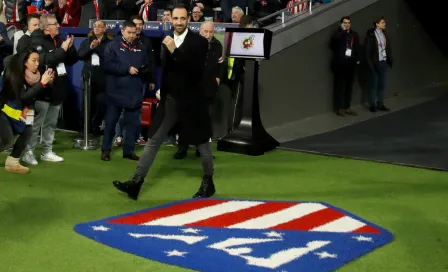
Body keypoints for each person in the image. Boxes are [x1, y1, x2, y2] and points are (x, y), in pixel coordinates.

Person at [112, 4, 214, 200]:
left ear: (189, 20)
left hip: (193, 102)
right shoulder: (166, 40)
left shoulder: (199, 42)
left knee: (202, 144)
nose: (178, 22)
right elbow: (166, 71)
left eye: (182, 19)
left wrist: (174, 50)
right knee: (154, 139)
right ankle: (136, 182)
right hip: (171, 100)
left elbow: (195, 71)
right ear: (170, 19)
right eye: (175, 19)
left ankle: (208, 181)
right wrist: (162, 91)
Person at [22, 14, 78, 166]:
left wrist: (70, 48)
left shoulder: (60, 39)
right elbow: (44, 60)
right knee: (35, 124)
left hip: (58, 86)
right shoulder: (36, 40)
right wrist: (62, 49)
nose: (59, 26)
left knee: (51, 123)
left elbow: (72, 59)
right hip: (42, 88)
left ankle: (47, 151)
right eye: (55, 24)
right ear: (47, 27)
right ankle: (28, 152)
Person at [100, 20, 152, 161]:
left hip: (134, 92)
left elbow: (147, 64)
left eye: (134, 33)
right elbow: (107, 65)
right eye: (129, 32)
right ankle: (105, 150)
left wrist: (145, 70)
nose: (131, 35)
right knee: (110, 123)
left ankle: (128, 151)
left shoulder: (141, 47)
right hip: (115, 91)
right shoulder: (112, 46)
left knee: (133, 125)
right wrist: (127, 69)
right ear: (122, 31)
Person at [175, 20, 224, 159]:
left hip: (208, 88)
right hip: (191, 87)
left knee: (204, 121)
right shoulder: (192, 43)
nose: (208, 35)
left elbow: (220, 64)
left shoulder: (217, 45)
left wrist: (218, 78)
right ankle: (182, 148)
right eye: (205, 32)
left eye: (211, 32)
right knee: (186, 117)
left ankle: (201, 150)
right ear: (200, 31)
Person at [0, 49, 54, 173]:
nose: (37, 64)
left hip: (23, 111)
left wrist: (49, 83)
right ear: (25, 62)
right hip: (4, 111)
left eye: (38, 60)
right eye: (34, 60)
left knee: (27, 131)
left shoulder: (35, 75)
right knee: (6, 142)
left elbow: (34, 95)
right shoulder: (13, 73)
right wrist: (42, 84)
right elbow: (23, 96)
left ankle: (13, 163)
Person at [78, 20, 114, 136]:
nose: (97, 28)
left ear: (104, 29)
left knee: (102, 104)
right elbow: (81, 55)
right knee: (86, 105)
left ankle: (96, 126)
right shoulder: (86, 41)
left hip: (103, 79)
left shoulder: (109, 43)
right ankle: (85, 129)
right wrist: (90, 47)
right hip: (88, 77)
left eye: (100, 26)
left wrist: (96, 48)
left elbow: (109, 56)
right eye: (95, 26)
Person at [330, 16, 360, 117]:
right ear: (341, 24)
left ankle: (347, 107)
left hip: (350, 64)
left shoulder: (354, 34)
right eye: (345, 23)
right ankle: (339, 108)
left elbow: (357, 47)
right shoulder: (338, 34)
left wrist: (357, 59)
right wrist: (342, 31)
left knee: (349, 87)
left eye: (348, 23)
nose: (347, 24)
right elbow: (332, 44)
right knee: (340, 87)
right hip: (340, 64)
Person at [365, 16, 393, 112]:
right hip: (375, 63)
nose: (384, 24)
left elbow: (387, 48)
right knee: (374, 85)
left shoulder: (385, 34)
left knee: (382, 85)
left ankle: (380, 104)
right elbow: (367, 52)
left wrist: (389, 59)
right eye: (382, 22)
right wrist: (371, 66)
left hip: (383, 62)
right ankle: (372, 105)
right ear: (377, 24)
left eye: (384, 22)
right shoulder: (371, 36)